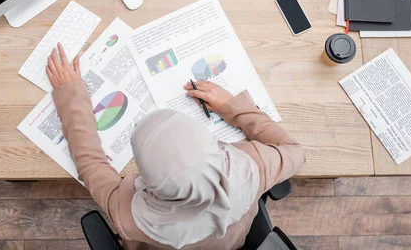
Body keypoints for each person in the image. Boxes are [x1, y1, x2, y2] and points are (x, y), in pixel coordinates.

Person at [47, 43, 306, 250]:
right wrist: (233, 107)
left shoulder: (127, 214)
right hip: (235, 241)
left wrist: (70, 94)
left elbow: (91, 163)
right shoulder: (255, 165)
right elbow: (295, 150)